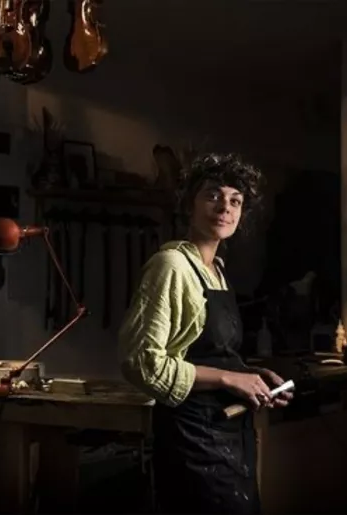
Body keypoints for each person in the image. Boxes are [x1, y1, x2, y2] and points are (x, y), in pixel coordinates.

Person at [118, 152, 293, 514]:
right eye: (213, 195)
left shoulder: (217, 271)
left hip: (229, 431)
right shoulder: (171, 266)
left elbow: (213, 354)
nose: (224, 207)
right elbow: (142, 362)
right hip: (191, 438)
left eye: (235, 200)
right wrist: (229, 379)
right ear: (189, 204)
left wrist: (250, 378)